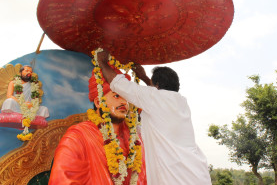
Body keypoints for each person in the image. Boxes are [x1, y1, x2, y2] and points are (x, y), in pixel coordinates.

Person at [97, 51, 212, 185]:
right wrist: (144, 77)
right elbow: (156, 94)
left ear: (156, 85)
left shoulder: (154, 99)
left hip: (176, 179)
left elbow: (119, 84)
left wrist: (102, 62)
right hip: (197, 175)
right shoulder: (181, 102)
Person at [49, 67, 147, 185]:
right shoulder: (77, 136)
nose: (124, 103)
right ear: (98, 102)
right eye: (116, 96)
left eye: (126, 98)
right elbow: (62, 180)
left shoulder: (135, 139)